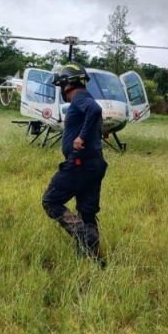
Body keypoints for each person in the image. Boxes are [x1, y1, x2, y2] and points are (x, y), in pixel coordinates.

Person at [41, 62, 107, 266]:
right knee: (87, 211)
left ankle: (85, 235)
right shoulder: (85, 99)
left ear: (67, 85)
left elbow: (95, 111)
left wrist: (81, 138)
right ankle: (95, 261)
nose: (61, 90)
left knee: (51, 201)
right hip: (94, 163)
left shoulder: (80, 98)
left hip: (80, 164)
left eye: (61, 85)